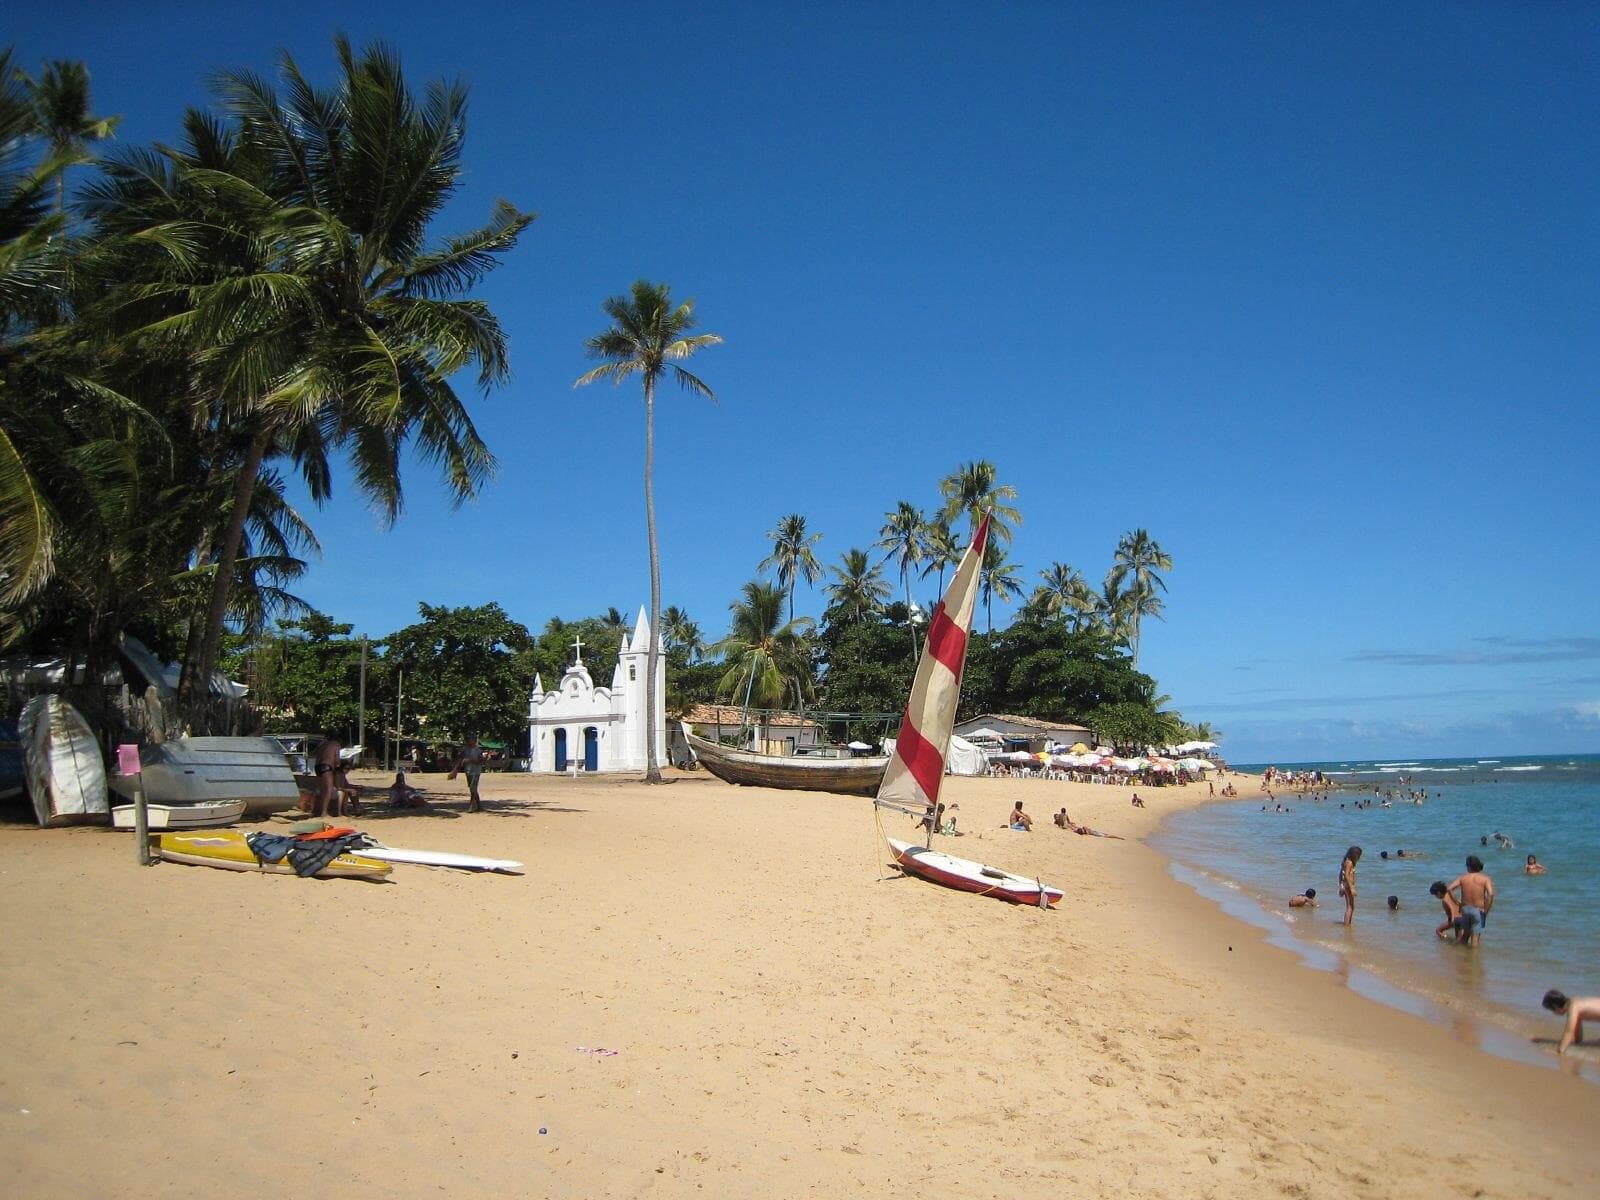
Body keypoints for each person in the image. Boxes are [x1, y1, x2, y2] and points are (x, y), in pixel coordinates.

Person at [1447, 855, 1494, 946]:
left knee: (1465, 937)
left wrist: (1457, 902)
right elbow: (1490, 894)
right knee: (1475, 940)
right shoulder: (1485, 879)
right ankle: (1473, 959)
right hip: (1478, 910)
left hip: (1465, 909)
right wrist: (1486, 910)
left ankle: (1461, 956)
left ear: (1469, 866)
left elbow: (1449, 889)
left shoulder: (1463, 878)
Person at [314, 734, 359, 818]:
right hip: (327, 766)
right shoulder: (336, 745)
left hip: (318, 766)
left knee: (323, 790)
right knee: (328, 790)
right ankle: (324, 813)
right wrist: (338, 766)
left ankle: (320, 810)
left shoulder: (323, 744)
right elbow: (337, 759)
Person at [1541, 990, 1600, 1056]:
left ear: (1555, 1007)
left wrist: (1560, 1051)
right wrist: (1578, 1044)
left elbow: (1569, 1032)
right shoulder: (1575, 1001)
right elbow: (1578, 1034)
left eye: (1552, 1010)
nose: (1554, 1014)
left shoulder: (1573, 1007)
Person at [448, 735, 487, 813]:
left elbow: (482, 761)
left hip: (476, 771)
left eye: (471, 740)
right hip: (468, 771)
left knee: (473, 787)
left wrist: (470, 760)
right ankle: (479, 806)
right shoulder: (465, 750)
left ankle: (472, 805)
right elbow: (460, 759)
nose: (469, 741)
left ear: (474, 741)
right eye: (469, 740)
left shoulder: (478, 750)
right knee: (472, 787)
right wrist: (455, 770)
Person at [1339, 846, 1362, 927]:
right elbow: (1347, 876)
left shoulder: (1346, 861)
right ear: (1355, 855)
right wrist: (1352, 888)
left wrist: (1341, 886)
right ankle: (1347, 924)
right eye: (1359, 855)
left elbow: (1340, 874)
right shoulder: (1349, 863)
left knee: (1349, 906)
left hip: (1345, 885)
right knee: (1350, 906)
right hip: (1348, 886)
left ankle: (1347, 923)